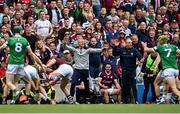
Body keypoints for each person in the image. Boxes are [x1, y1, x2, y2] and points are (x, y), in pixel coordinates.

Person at [0, 26, 45, 104]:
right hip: (21, 64)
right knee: (27, 81)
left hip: (12, 63)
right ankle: (19, 99)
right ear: (20, 31)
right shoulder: (25, 40)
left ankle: (16, 91)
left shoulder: (11, 40)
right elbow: (31, 53)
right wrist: (34, 62)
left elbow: (2, 47)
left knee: (9, 82)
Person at [143, 35, 180, 103]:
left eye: (159, 40)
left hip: (168, 70)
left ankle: (160, 98)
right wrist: (174, 56)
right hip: (175, 69)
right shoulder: (174, 46)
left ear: (161, 41)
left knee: (174, 89)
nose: (158, 41)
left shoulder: (159, 47)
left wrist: (144, 45)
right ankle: (161, 99)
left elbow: (146, 50)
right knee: (156, 83)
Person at [113, 38, 143, 104]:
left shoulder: (134, 50)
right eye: (128, 42)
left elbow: (140, 57)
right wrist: (115, 46)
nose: (130, 44)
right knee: (125, 86)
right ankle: (125, 101)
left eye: (131, 42)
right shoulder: (121, 49)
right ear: (126, 43)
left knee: (134, 86)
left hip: (132, 71)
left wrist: (141, 60)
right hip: (124, 71)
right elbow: (114, 53)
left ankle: (136, 100)